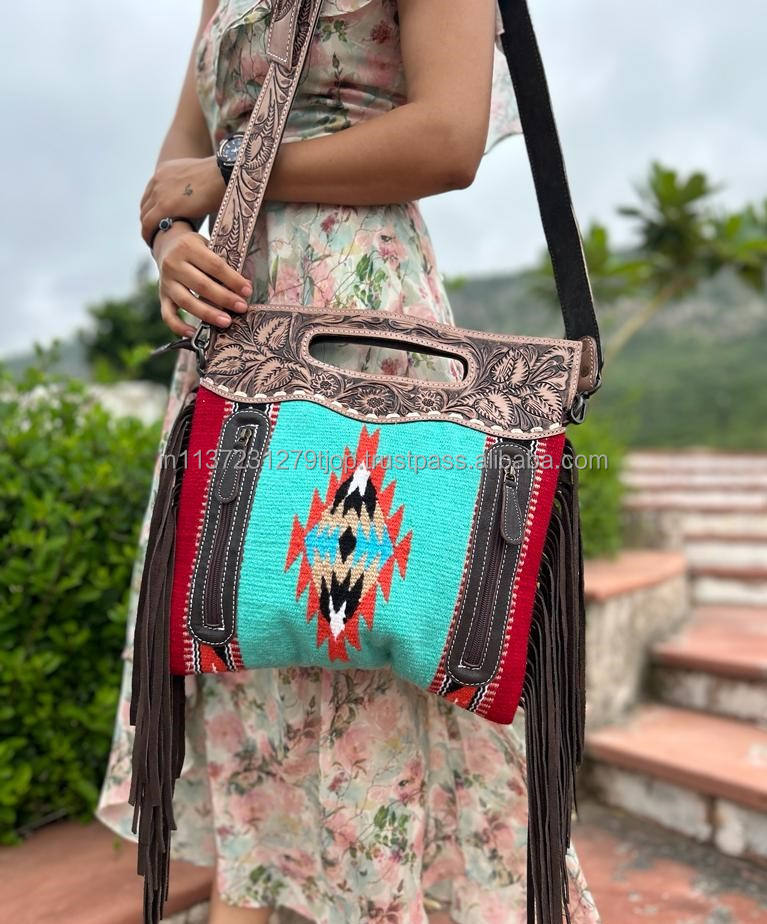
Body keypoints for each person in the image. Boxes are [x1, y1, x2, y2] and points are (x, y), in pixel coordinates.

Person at [98, 1, 601, 921]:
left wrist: (234, 173)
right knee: (241, 638)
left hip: (361, 331)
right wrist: (171, 240)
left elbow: (447, 138)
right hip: (232, 334)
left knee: (379, 640)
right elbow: (179, 164)